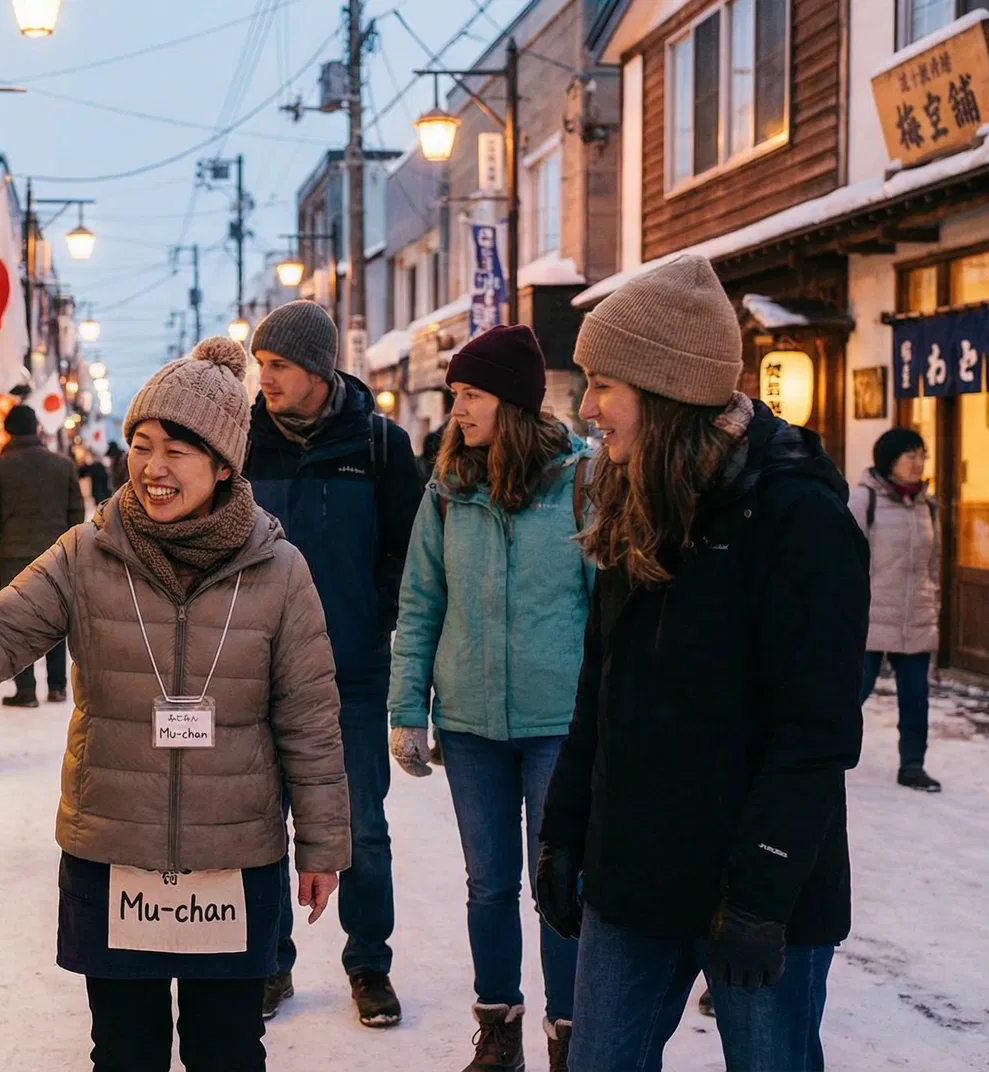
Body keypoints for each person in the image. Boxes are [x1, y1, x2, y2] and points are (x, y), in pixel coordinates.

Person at [0, 339, 350, 1072]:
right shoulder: (86, 555)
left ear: (223, 464)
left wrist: (323, 845)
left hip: (232, 858)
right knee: (123, 1051)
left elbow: (309, 717)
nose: (153, 468)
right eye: (142, 445)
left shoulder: (279, 571)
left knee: (229, 1052)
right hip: (113, 853)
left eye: (178, 450)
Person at [535, 255, 868, 1072]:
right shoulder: (633, 501)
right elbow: (600, 695)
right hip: (635, 876)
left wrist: (761, 893)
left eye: (604, 384)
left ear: (667, 391)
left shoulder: (798, 517)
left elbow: (814, 731)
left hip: (754, 889)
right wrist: (564, 835)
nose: (588, 409)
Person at [387, 326, 589, 1072]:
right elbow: (420, 603)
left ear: (512, 401)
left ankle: (571, 1033)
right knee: (489, 884)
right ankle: (499, 1027)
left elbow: (608, 614)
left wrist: (610, 721)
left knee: (559, 882)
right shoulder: (447, 490)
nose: (457, 409)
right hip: (469, 724)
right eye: (456, 395)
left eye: (470, 395)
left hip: (558, 724)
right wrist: (409, 710)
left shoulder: (582, 484)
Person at [245, 300, 426, 1026]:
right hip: (255, 671)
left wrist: (371, 616)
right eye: (260, 365)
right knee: (260, 824)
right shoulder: (241, 442)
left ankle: (370, 965)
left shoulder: (381, 445)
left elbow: (409, 553)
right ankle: (268, 964)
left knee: (360, 828)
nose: (266, 380)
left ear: (318, 370)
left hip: (350, 671)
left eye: (279, 366)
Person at [0, 403, 85, 706]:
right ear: (37, 427)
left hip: (13, 555)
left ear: (9, 430)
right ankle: (58, 686)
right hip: (57, 553)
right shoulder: (62, 465)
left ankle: (25, 690)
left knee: (16, 621)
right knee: (56, 618)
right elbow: (76, 510)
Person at [853, 427, 943, 792]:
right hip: (870, 616)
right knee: (851, 692)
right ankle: (819, 754)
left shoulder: (927, 504)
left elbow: (932, 563)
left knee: (915, 698)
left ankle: (912, 766)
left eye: (923, 455)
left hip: (915, 618)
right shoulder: (864, 500)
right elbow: (844, 557)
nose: (919, 463)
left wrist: (931, 598)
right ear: (890, 460)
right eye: (911, 456)